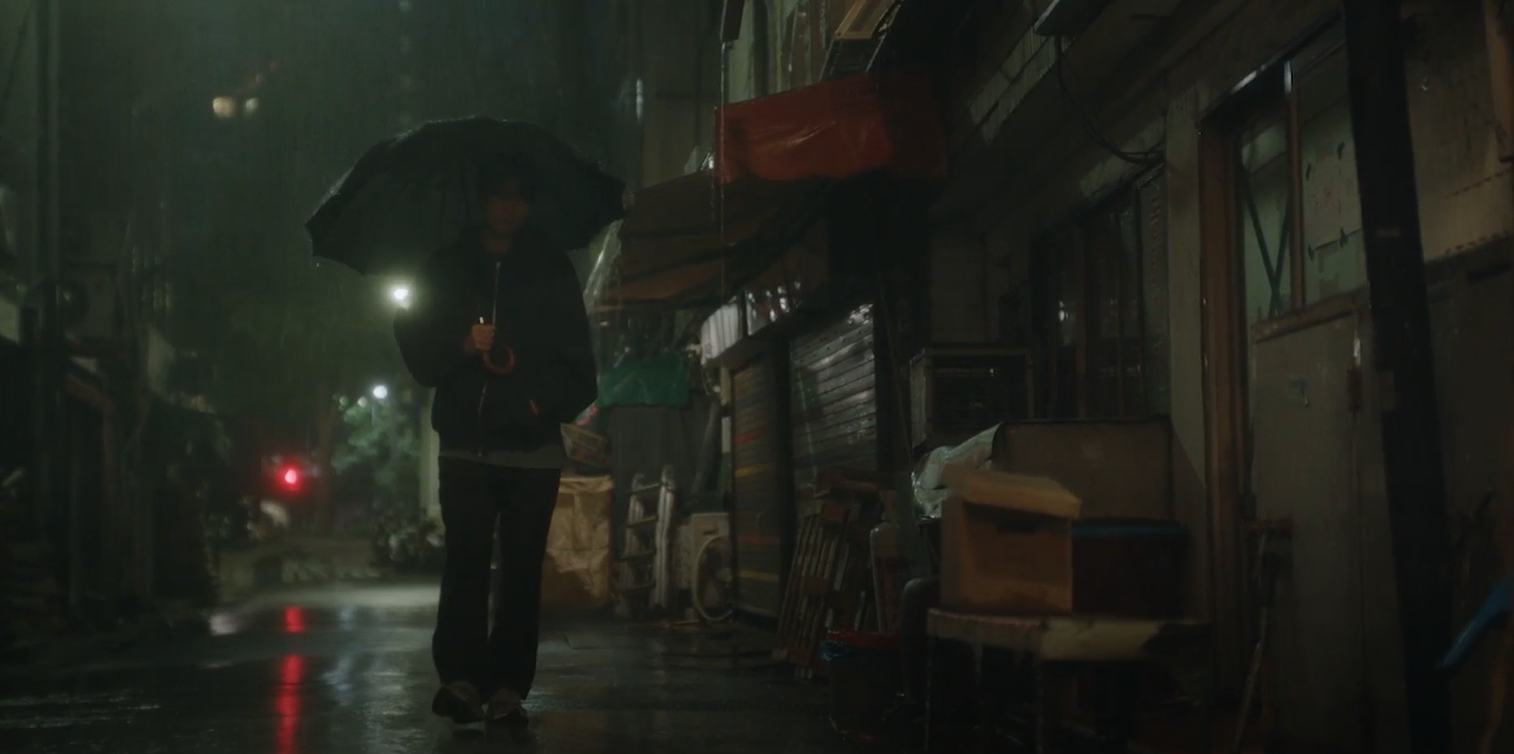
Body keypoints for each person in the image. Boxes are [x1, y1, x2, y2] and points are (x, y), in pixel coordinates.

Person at [393, 155, 598, 727]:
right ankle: (461, 680)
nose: (510, 207)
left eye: (520, 197)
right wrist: (462, 344)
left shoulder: (551, 269)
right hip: (466, 445)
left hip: (533, 451)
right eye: (500, 195)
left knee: (521, 571)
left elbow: (580, 367)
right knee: (464, 562)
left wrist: (538, 404)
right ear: (482, 199)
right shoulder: (446, 267)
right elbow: (415, 343)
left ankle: (508, 687)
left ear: (530, 204)